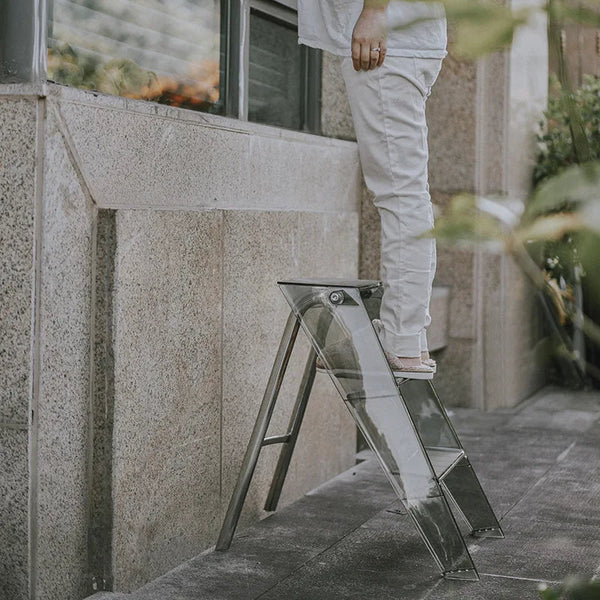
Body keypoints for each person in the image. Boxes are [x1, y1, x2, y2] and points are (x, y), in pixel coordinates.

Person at [298, 0, 447, 380]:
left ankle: (400, 338)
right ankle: (407, 336)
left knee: (401, 195)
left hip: (388, 39)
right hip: (403, 39)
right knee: (406, 193)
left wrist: (376, 10)